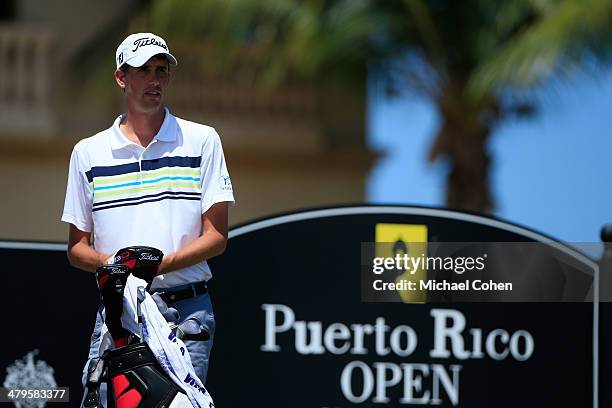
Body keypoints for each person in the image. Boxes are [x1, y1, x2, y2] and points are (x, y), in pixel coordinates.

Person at [61, 32, 234, 394]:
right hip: (119, 311)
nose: (154, 80)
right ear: (121, 78)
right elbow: (77, 248)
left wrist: (157, 265)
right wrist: (122, 267)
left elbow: (216, 237)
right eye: (143, 71)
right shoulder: (88, 153)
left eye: (161, 70)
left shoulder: (203, 140)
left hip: (187, 312)